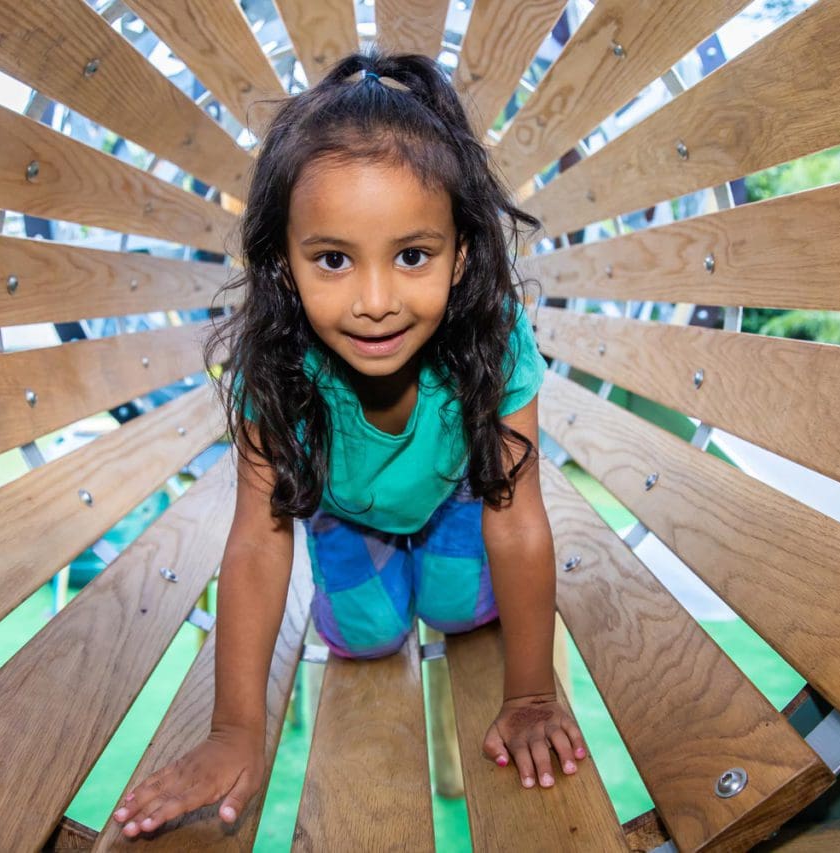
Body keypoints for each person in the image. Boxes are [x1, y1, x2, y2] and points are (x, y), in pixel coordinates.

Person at [112, 47, 588, 838]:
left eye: (412, 255)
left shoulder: (495, 338)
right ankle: (378, 567)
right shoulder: (274, 362)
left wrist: (531, 693)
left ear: (461, 251)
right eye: (333, 259)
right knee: (366, 638)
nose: (374, 302)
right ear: (284, 266)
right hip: (346, 510)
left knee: (458, 607)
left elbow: (517, 511)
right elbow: (259, 542)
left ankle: (429, 569)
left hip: (457, 494)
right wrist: (236, 728)